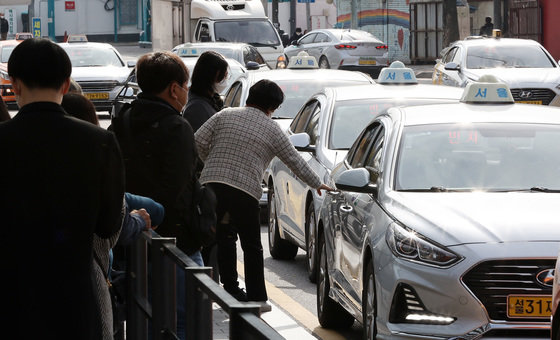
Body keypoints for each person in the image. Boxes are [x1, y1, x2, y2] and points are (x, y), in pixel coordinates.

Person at [0, 38, 125, 339]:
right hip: (73, 301)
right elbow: (108, 224)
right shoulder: (100, 142)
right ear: (67, 85)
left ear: (14, 86)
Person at [195, 79, 333, 311]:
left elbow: (198, 139)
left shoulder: (225, 114)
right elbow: (295, 160)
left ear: (250, 96)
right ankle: (257, 296)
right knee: (251, 244)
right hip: (245, 190)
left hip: (211, 185)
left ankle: (213, 289)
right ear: (273, 108)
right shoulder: (272, 129)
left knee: (215, 238)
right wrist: (317, 183)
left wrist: (210, 161)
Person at [109, 51, 199, 340]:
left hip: (132, 236)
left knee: (143, 316)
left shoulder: (123, 118)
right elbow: (177, 188)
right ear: (174, 89)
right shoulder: (178, 127)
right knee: (184, 320)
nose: (187, 92)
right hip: (173, 239)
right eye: (185, 85)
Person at [182, 50, 229, 283]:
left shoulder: (209, 101)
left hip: (213, 180)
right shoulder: (197, 108)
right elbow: (201, 148)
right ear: (215, 75)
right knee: (211, 240)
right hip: (206, 183)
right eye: (224, 76)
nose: (224, 81)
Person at [182, 50, 228, 133]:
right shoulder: (196, 108)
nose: (224, 81)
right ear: (210, 76)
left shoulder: (212, 99)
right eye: (222, 77)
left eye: (226, 76)